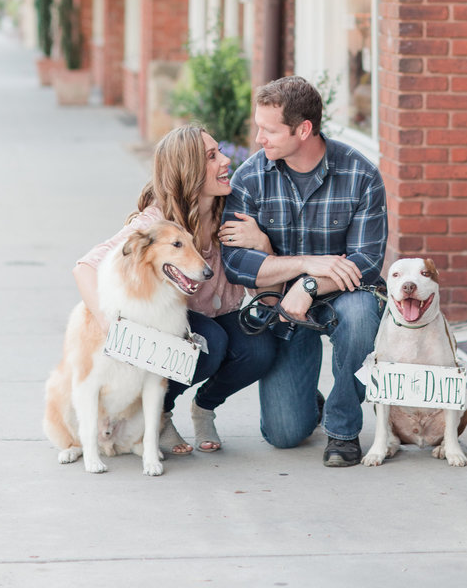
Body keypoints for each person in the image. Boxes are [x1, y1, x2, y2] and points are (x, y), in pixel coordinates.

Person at [73, 124, 277, 455]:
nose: (226, 160)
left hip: (221, 313)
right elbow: (85, 266)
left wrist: (263, 245)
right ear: (189, 171)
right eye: (212, 156)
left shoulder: (233, 209)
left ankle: (205, 407)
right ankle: (159, 413)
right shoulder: (157, 221)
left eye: (220, 152)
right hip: (171, 322)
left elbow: (263, 290)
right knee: (210, 342)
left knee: (259, 349)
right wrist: (109, 325)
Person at [219, 75, 388, 468]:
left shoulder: (361, 175)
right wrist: (303, 265)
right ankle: (308, 400)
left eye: (269, 130)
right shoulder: (250, 178)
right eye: (258, 127)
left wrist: (308, 285)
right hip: (282, 306)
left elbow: (365, 261)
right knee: (283, 434)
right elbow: (235, 263)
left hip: (345, 296)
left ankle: (343, 428)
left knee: (361, 316)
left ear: (303, 129)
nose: (258, 138)